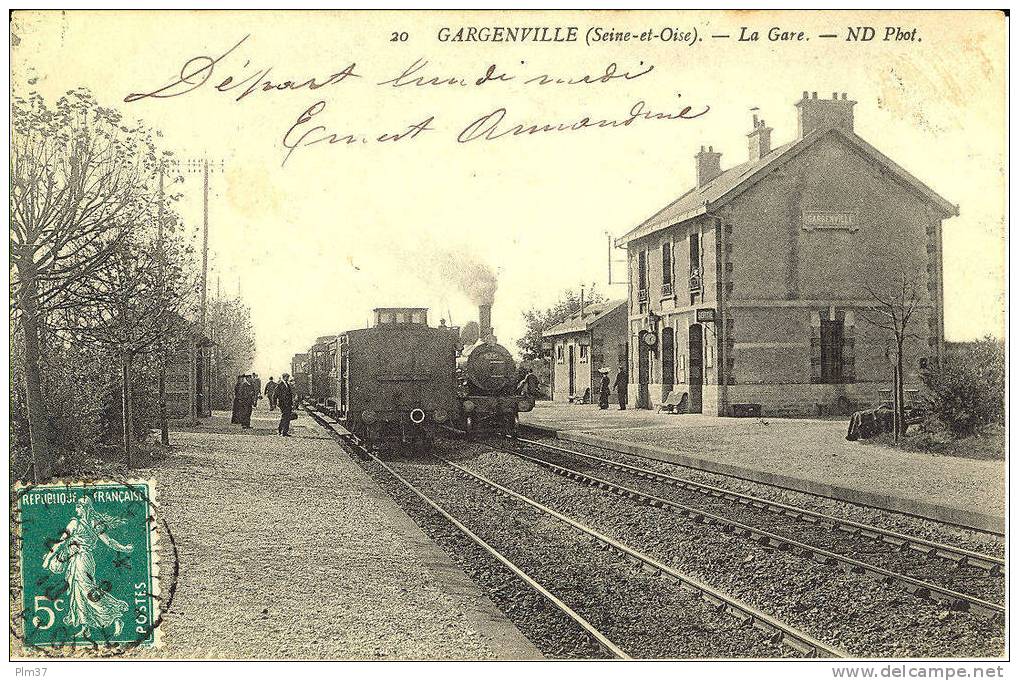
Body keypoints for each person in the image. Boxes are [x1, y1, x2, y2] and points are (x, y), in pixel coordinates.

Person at [42, 497, 132, 638]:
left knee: (87, 590)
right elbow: (108, 541)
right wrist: (124, 548)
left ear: (84, 507)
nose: (76, 509)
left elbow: (60, 543)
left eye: (78, 506)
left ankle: (115, 617)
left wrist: (48, 559)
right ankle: (85, 627)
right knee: (77, 591)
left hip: (82, 560)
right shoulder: (93, 523)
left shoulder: (76, 523)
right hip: (81, 559)